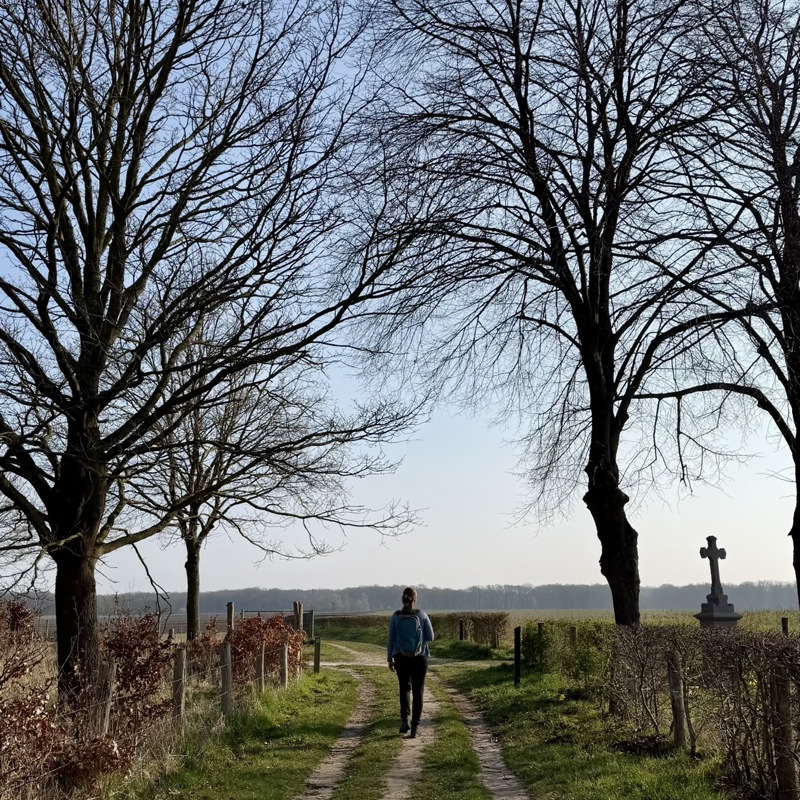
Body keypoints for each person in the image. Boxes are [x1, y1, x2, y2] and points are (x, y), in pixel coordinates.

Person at [387, 587, 434, 738]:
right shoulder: (422, 615)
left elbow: (391, 639)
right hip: (420, 657)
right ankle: (415, 728)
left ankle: (404, 721)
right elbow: (431, 637)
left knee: (404, 688)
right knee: (418, 691)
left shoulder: (396, 616)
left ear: (403, 599)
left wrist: (389, 658)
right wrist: (420, 642)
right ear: (415, 599)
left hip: (400, 657)